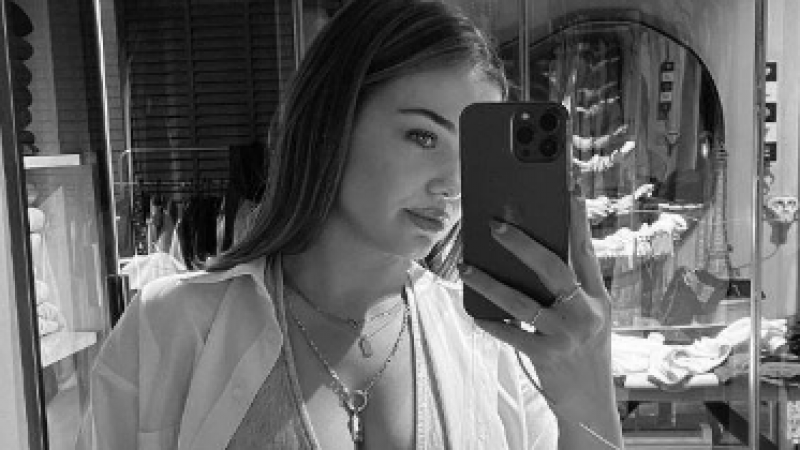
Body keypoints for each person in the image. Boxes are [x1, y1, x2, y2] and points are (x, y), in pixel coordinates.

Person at [80, 0, 623, 448]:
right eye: (423, 137)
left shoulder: (488, 341)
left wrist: (589, 394)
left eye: (474, 153)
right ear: (331, 124)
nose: (453, 184)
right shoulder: (175, 325)